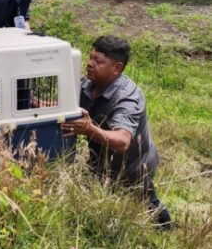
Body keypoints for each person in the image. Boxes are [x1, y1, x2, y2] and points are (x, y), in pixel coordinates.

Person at [61, 36, 171, 230]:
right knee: (95, 195)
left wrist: (89, 129)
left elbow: (122, 141)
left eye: (98, 61)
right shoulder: (87, 84)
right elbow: (67, 108)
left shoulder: (127, 98)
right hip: (101, 160)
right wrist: (35, 105)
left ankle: (166, 228)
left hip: (134, 166)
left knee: (145, 199)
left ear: (117, 68)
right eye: (90, 57)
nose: (90, 64)